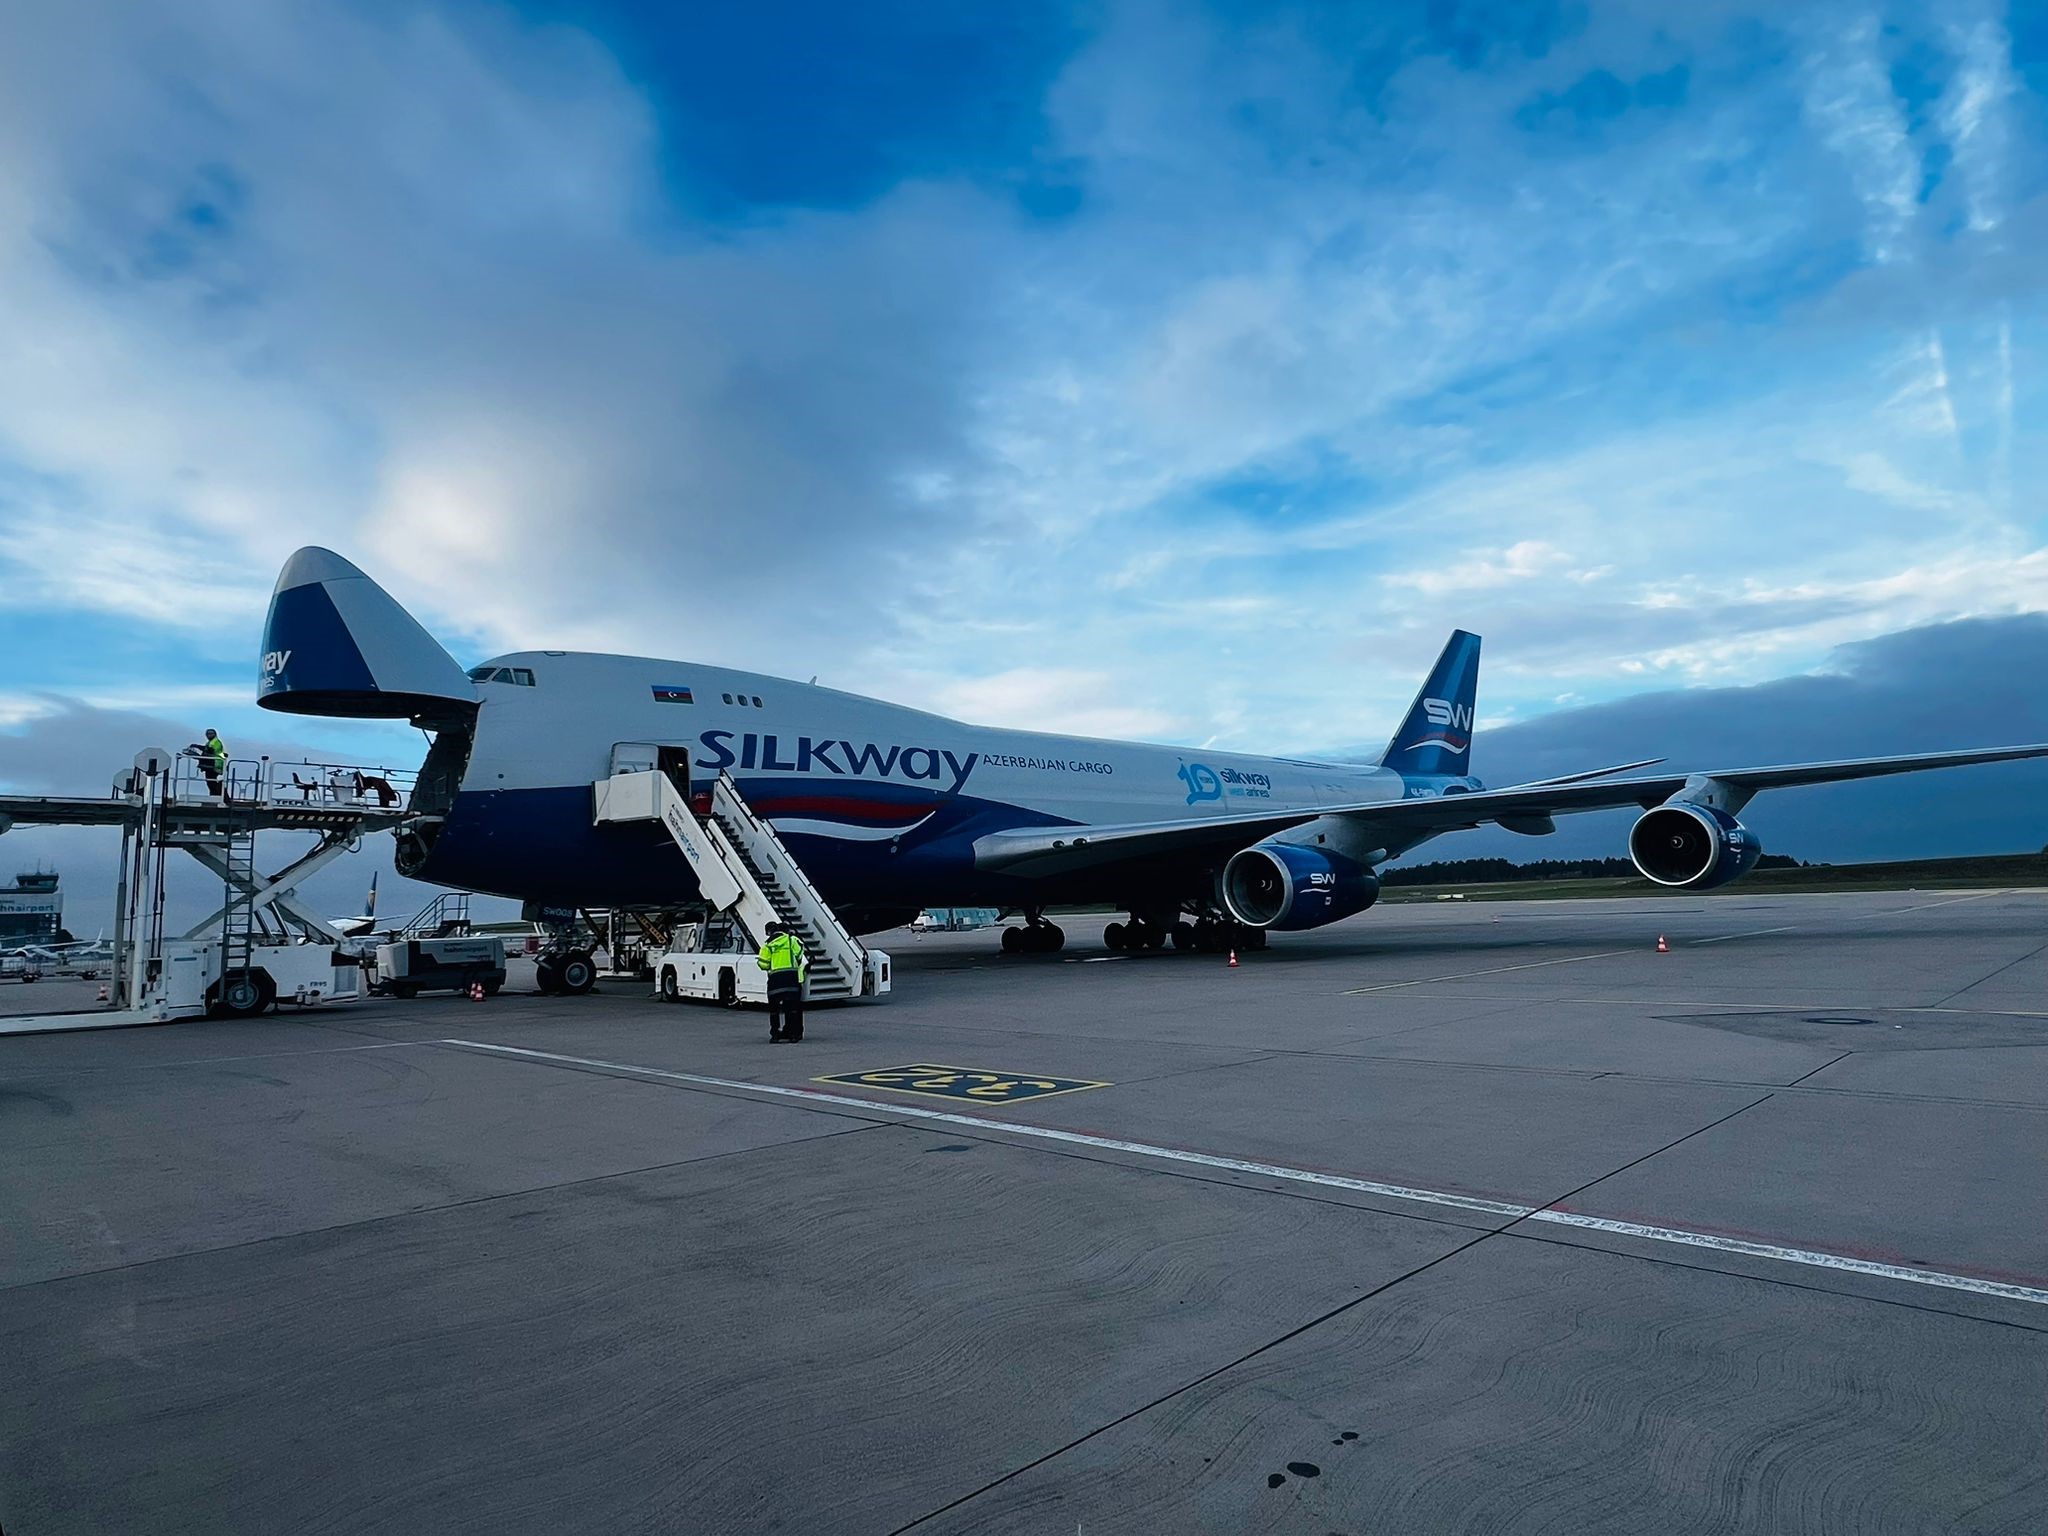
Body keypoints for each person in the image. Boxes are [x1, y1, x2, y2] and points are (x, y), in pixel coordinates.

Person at [756, 922, 809, 1043]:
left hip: (775, 979)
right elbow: (800, 955)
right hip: (791, 978)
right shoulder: (792, 940)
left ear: (769, 932)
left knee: (774, 1009)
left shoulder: (768, 945)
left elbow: (763, 964)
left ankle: (775, 1034)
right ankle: (794, 1035)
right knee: (792, 1008)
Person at [189, 728, 228, 800]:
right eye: (208, 734)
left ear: (215, 734)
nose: (209, 735)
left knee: (211, 781)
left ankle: (220, 796)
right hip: (210, 764)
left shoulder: (216, 742)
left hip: (214, 764)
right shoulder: (210, 742)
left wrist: (197, 746)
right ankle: (216, 796)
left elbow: (210, 750)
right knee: (210, 781)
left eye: (211, 734)